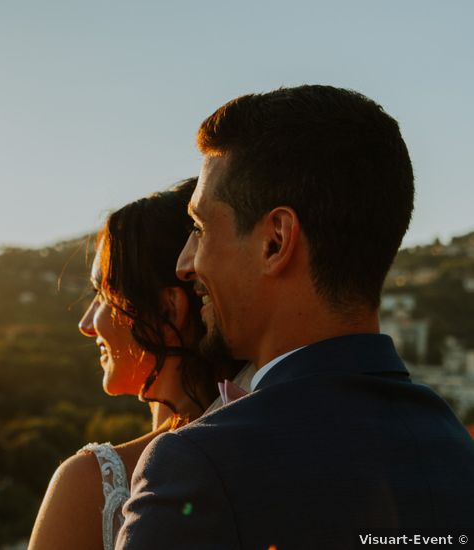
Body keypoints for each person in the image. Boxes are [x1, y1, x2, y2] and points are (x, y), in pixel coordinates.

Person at [117, 85, 474, 549]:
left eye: (201, 229)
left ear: (275, 241)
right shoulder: (457, 456)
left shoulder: (203, 466)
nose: (186, 264)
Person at [28, 179, 247, 550]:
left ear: (168, 310)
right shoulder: (265, 450)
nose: (86, 324)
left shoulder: (89, 486)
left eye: (103, 296)